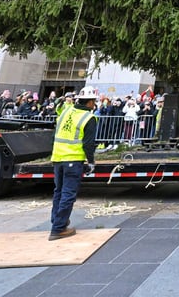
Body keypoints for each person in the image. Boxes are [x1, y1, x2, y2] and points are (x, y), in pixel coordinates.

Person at [49, 85, 99, 241]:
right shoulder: (89, 118)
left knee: (58, 191)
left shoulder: (65, 112)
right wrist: (91, 161)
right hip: (73, 159)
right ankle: (58, 228)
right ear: (90, 102)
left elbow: (55, 131)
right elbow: (88, 143)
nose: (95, 104)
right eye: (94, 101)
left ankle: (57, 221)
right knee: (68, 194)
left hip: (58, 158)